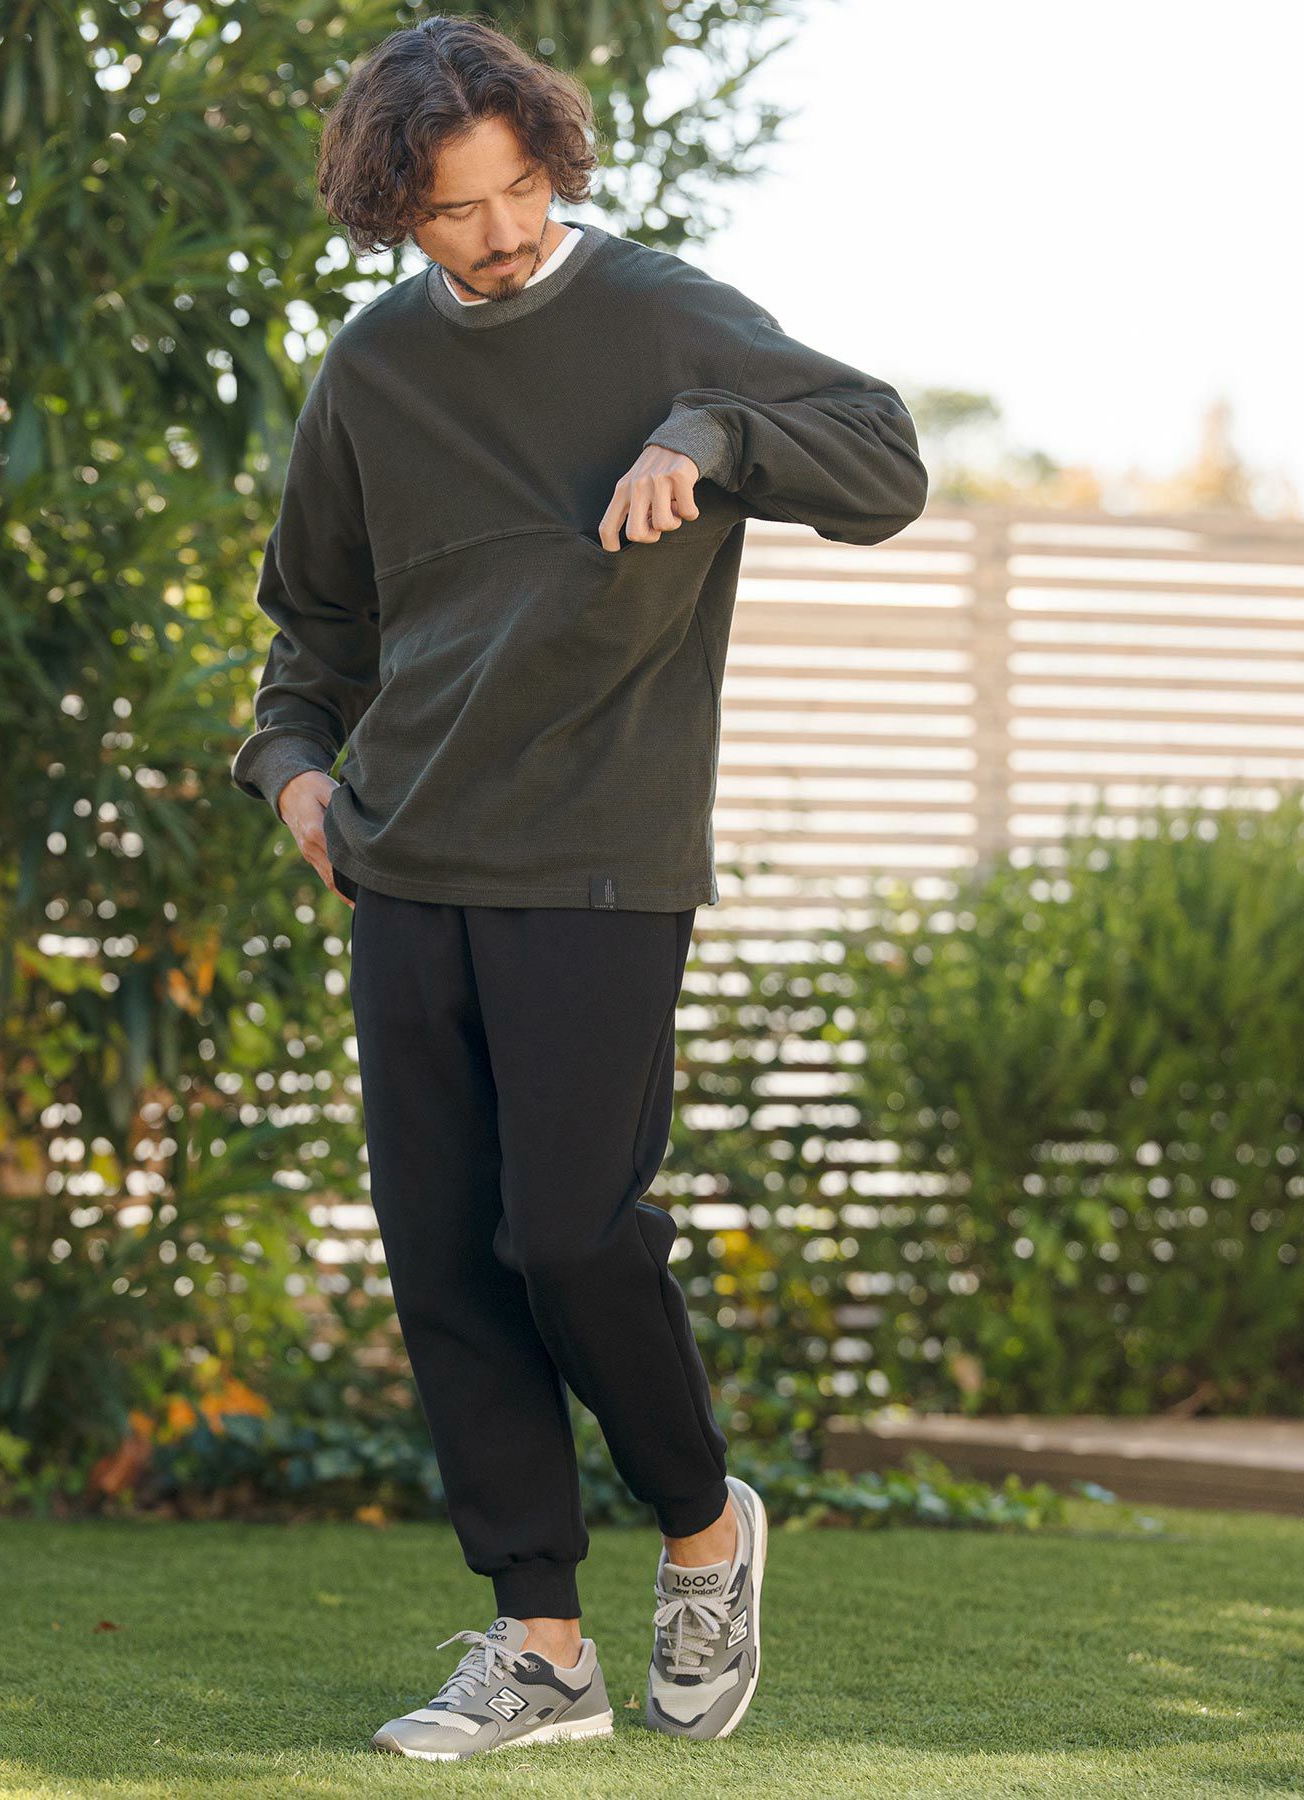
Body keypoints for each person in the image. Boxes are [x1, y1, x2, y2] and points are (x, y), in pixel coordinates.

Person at [231, 15, 927, 1762]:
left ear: (555, 161)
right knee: (444, 1258)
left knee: (567, 1234)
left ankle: (701, 1528)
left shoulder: (659, 311)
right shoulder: (371, 370)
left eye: (524, 189)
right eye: (457, 211)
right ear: (392, 211)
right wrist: (294, 772)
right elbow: (315, 628)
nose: (503, 235)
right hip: (405, 861)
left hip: (600, 855)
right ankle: (540, 1643)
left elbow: (884, 461)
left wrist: (712, 433)